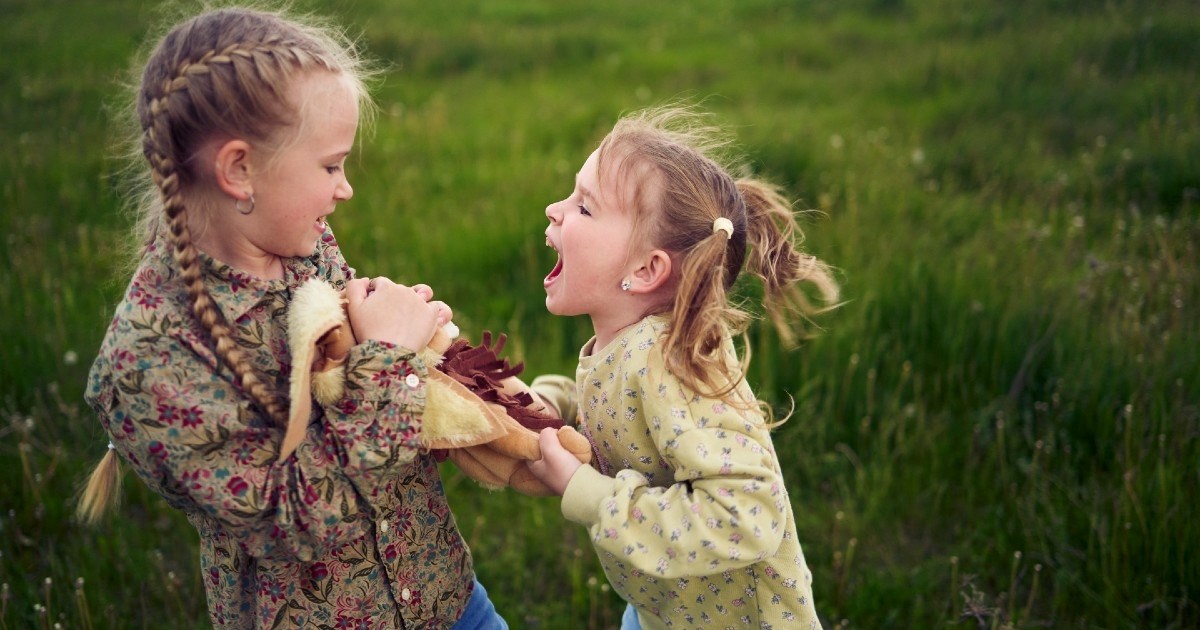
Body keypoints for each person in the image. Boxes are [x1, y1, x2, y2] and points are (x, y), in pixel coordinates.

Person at [76, 6, 505, 628]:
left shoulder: (308, 247)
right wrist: (391, 362)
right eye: (331, 165)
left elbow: (347, 379)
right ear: (239, 171)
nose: (345, 188)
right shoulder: (149, 359)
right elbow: (291, 521)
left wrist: (415, 354)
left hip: (447, 595)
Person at [527, 105, 840, 629]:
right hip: (668, 608)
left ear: (646, 269)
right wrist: (554, 401)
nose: (554, 209)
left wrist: (588, 493)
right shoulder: (629, 341)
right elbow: (624, 415)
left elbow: (748, 513)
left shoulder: (665, 363)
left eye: (585, 208)